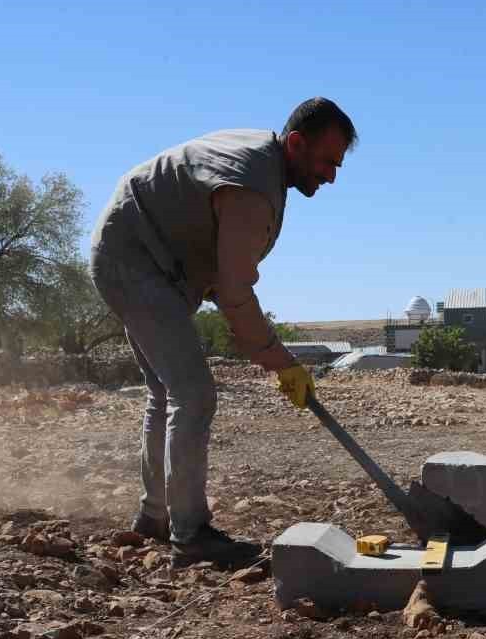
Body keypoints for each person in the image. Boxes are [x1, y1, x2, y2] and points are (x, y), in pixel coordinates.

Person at [90, 98, 356, 567]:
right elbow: (234, 293)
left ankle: (155, 517)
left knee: (166, 392)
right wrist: (282, 363)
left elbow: (223, 281)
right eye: (327, 162)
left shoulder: (262, 161)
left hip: (132, 250)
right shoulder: (252, 186)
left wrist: (271, 354)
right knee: (193, 395)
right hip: (136, 259)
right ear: (296, 143)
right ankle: (190, 534)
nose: (332, 176)